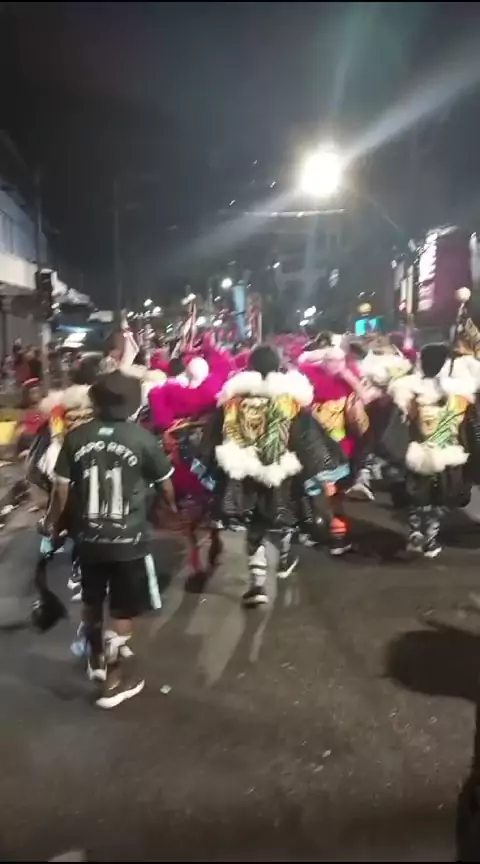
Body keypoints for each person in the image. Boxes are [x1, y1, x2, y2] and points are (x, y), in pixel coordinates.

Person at [45, 370, 175, 709]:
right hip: (128, 540)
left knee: (91, 600)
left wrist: (56, 523)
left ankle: (96, 659)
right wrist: (172, 508)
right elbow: (165, 484)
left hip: (88, 539)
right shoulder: (142, 438)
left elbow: (60, 490)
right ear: (131, 403)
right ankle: (114, 682)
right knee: (122, 608)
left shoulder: (76, 437)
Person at [194, 345, 349, 606]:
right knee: (283, 517)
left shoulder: (232, 401)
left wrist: (213, 473)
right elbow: (308, 440)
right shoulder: (290, 401)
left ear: (250, 367)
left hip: (243, 474)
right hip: (282, 472)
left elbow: (213, 439)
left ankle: (257, 584)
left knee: (254, 525)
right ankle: (284, 558)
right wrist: (321, 474)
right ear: (278, 367)